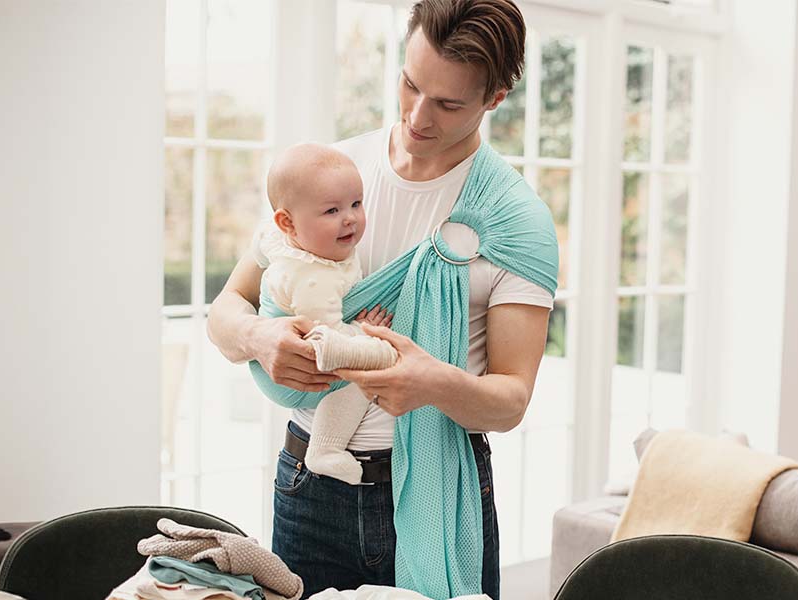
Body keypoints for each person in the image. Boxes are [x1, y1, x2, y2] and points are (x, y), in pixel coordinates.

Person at [206, 0, 555, 597]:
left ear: (494, 99)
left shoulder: (513, 220)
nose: (418, 116)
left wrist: (434, 383)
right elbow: (225, 310)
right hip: (309, 482)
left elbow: (512, 399)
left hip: (436, 490)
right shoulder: (333, 174)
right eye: (410, 84)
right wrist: (258, 338)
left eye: (448, 103)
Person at [251, 142, 398, 486]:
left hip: (285, 352)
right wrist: (365, 335)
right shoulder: (314, 279)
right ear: (288, 222)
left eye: (356, 204)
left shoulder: (280, 237)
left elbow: (261, 246)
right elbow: (331, 347)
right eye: (331, 211)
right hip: (295, 376)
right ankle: (326, 449)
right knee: (357, 377)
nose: (350, 218)